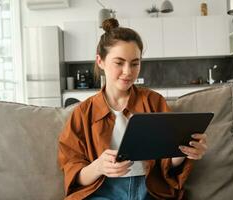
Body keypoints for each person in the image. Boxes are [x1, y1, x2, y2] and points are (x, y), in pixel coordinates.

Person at [58, 18, 207, 200]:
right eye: (119, 63)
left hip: (150, 189)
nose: (128, 71)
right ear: (100, 61)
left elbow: (168, 163)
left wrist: (185, 151)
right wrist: (98, 167)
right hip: (103, 191)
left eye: (135, 63)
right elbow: (74, 172)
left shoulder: (154, 101)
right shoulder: (83, 113)